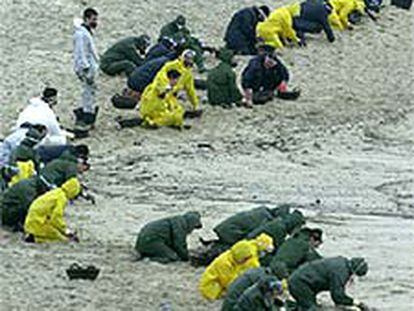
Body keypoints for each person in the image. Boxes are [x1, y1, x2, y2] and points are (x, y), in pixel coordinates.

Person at [199, 235, 273, 301]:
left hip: (219, 280)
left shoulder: (248, 246)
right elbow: (229, 283)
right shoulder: (225, 263)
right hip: (210, 287)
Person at [139, 50, 200, 128]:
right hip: (159, 94)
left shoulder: (188, 74)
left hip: (170, 96)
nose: (189, 60)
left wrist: (195, 104)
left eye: (191, 58)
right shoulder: (171, 65)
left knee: (178, 113)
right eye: (187, 57)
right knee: (167, 114)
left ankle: (163, 121)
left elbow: (190, 90)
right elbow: (160, 76)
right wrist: (166, 87)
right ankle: (152, 122)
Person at [288, 257, 369, 310]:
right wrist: (357, 303)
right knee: (312, 308)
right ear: (354, 272)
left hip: (299, 280)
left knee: (306, 306)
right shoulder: (341, 272)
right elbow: (338, 297)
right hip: (300, 283)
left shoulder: (342, 262)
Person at [24, 177, 81, 243]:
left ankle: (33, 235)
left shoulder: (56, 191)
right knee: (60, 239)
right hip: (38, 222)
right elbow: (56, 217)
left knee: (54, 234)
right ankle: (34, 238)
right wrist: (65, 230)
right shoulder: (62, 198)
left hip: (31, 220)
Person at [135, 211, 202, 263]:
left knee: (171, 253)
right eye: (194, 227)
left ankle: (147, 253)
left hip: (145, 241)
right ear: (191, 223)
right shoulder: (180, 226)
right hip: (151, 241)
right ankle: (149, 259)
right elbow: (179, 245)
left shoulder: (177, 220)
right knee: (173, 257)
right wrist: (187, 257)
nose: (193, 230)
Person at [213, 205, 291, 246]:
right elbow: (252, 236)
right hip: (230, 232)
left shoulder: (262, 210)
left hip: (223, 227)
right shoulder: (266, 220)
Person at [73, 7, 100, 128]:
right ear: (86, 19)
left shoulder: (85, 32)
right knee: (88, 93)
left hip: (90, 68)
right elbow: (81, 53)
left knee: (90, 92)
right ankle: (87, 115)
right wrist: (85, 69)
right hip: (87, 69)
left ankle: (87, 113)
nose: (95, 22)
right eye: (93, 19)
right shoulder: (81, 34)